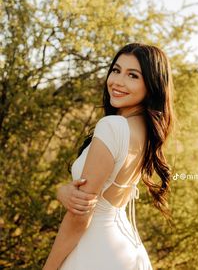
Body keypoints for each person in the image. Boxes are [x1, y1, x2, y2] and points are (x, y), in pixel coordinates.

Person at [43, 43, 174, 270]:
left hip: (96, 250)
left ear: (151, 84)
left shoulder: (112, 127)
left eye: (132, 75)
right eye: (116, 70)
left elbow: (80, 216)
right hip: (127, 251)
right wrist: (62, 191)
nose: (117, 82)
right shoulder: (145, 130)